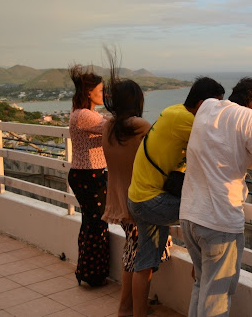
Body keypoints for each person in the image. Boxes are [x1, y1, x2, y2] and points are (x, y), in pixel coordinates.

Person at [180, 77, 252, 317]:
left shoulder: (207, 106)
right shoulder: (249, 118)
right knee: (217, 298)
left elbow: (233, 121)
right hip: (219, 221)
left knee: (201, 285)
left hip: (190, 216)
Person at [127, 76, 225, 317]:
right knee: (205, 213)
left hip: (140, 197)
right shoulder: (187, 120)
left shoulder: (174, 111)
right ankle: (199, 269)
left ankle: (138, 313)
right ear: (202, 104)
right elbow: (225, 137)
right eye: (216, 106)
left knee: (145, 261)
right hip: (151, 201)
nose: (218, 112)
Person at [101, 53, 151, 316]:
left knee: (132, 253)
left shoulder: (109, 126)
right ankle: (128, 309)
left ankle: (128, 306)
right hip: (139, 202)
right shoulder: (139, 126)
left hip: (118, 201)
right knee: (141, 259)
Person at [67, 64, 109, 287]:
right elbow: (111, 128)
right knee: (96, 224)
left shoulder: (83, 113)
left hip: (86, 175)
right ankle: (93, 274)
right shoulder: (84, 115)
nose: (104, 94)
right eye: (101, 90)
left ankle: (86, 271)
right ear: (89, 92)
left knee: (90, 222)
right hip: (89, 175)